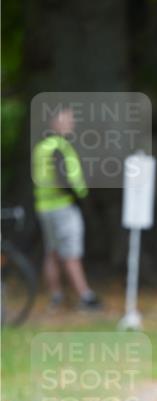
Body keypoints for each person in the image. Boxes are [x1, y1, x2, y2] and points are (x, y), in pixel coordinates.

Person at [32, 107, 101, 310]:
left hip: (44, 206)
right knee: (71, 253)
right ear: (54, 123)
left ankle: (56, 297)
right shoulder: (59, 147)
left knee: (52, 252)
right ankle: (85, 297)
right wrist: (80, 199)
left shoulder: (41, 147)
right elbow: (64, 178)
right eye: (66, 120)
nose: (71, 124)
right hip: (63, 206)